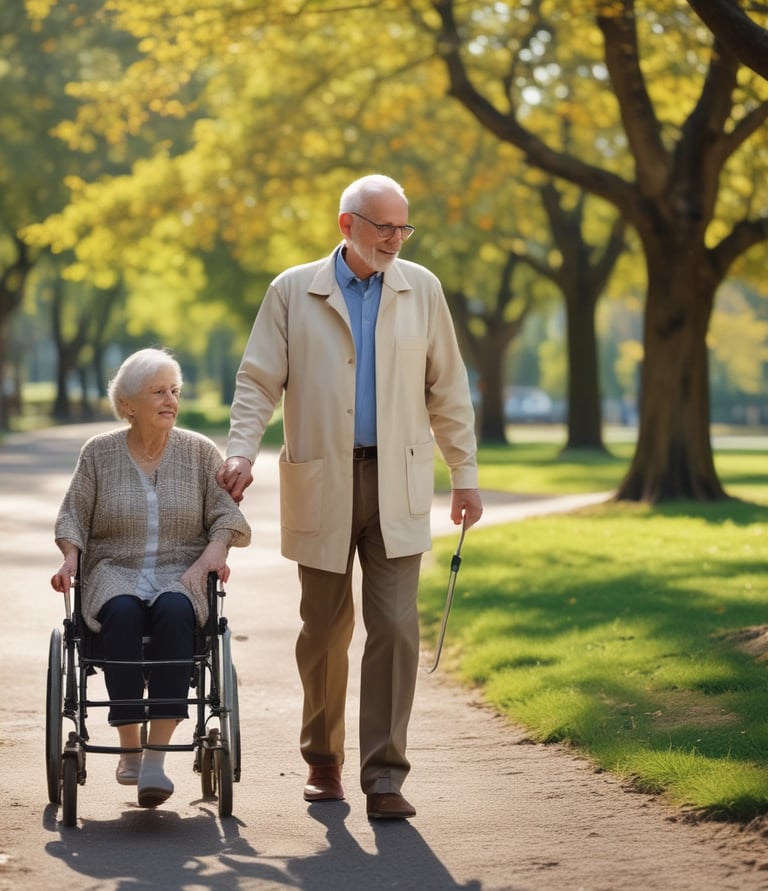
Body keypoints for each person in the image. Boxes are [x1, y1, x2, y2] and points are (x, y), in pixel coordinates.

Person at [217, 174, 483, 820]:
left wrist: (464, 472)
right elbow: (258, 381)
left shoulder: (422, 290)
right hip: (324, 478)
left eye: (403, 227)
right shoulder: (291, 291)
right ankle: (323, 759)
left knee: (394, 625)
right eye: (383, 226)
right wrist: (240, 450)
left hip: (398, 480)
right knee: (326, 628)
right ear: (347, 225)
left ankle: (385, 775)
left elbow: (447, 387)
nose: (396, 238)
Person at [51, 347, 251, 809]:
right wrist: (69, 559)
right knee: (120, 612)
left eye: (175, 391)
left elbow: (227, 515)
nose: (170, 400)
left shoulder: (199, 452)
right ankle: (129, 747)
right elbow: (73, 517)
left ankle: (156, 758)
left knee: (177, 609)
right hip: (113, 571)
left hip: (181, 571)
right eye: (158, 391)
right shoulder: (98, 453)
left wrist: (213, 554)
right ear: (128, 405)